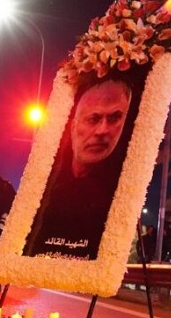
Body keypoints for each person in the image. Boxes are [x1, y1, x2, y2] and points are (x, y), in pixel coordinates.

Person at [26, 76, 136, 260]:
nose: (102, 130)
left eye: (114, 118)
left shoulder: (118, 194)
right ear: (73, 127)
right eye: (93, 119)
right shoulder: (46, 188)